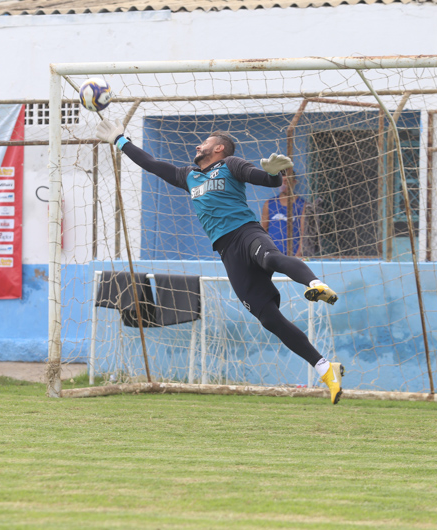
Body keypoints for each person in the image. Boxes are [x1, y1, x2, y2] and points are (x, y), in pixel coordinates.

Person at [96, 120, 344, 404]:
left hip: (247, 233)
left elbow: (260, 176)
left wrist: (275, 177)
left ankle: (316, 284)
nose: (197, 145)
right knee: (268, 317)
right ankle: (326, 370)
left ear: (219, 148)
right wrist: (119, 140)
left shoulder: (231, 165)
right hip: (227, 251)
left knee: (271, 258)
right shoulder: (187, 175)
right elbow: (151, 163)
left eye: (203, 142)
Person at [261, 175, 306, 257]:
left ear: (294, 182)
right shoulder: (269, 204)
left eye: (287, 180)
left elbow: (304, 233)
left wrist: (299, 253)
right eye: (282, 181)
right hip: (274, 254)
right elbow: (263, 230)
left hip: (293, 254)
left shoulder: (302, 205)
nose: (284, 184)